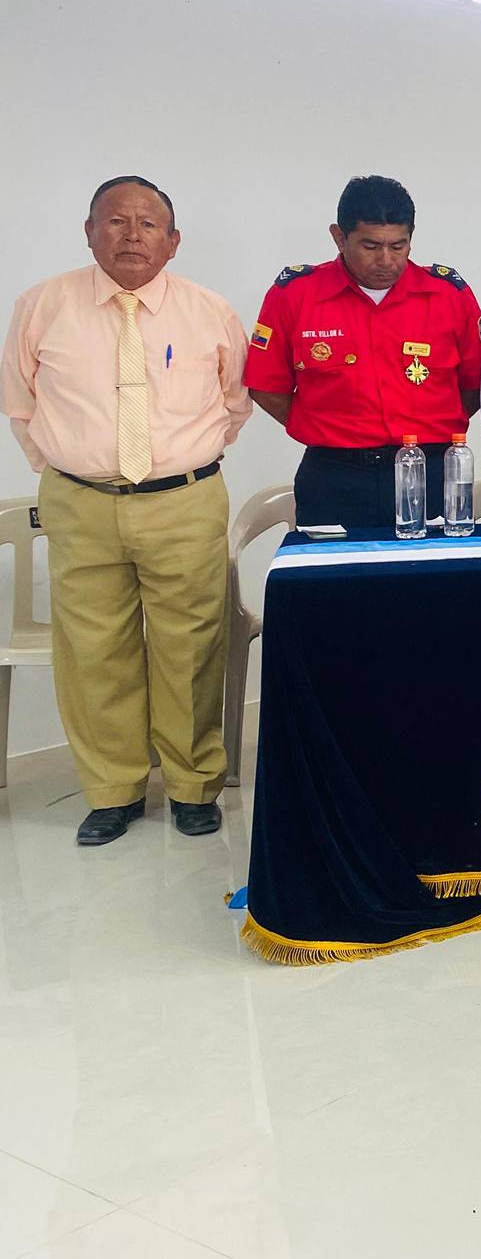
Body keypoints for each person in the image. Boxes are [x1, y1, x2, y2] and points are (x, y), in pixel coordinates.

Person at [1, 176, 250, 845]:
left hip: (184, 501)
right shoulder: (42, 305)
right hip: (81, 502)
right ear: (90, 232)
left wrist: (179, 462)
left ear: (173, 241)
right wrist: (72, 468)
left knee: (190, 646)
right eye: (116, 221)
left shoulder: (209, 311)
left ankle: (193, 786)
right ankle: (113, 791)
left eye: (148, 224)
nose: (132, 235)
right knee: (93, 648)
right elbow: (20, 404)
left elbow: (234, 404)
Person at [243, 175, 481, 527]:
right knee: (328, 565)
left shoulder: (448, 295)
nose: (386, 260)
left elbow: (477, 383)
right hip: (334, 476)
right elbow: (266, 385)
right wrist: (327, 426)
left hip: (428, 470)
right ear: (339, 237)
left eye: (398, 246)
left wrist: (427, 425)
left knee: (432, 565)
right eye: (370, 246)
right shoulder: (295, 296)